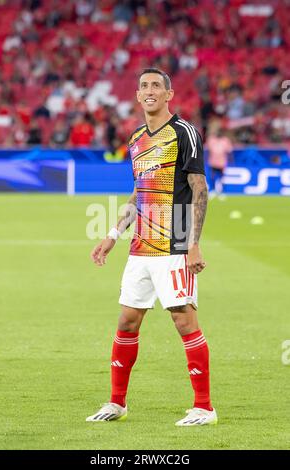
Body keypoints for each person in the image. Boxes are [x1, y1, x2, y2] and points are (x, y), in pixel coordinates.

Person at [86, 68, 217, 426]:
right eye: (144, 86)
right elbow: (138, 194)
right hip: (141, 243)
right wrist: (113, 234)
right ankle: (116, 403)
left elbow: (199, 188)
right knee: (127, 321)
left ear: (169, 94)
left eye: (156, 85)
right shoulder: (136, 139)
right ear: (137, 94)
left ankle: (204, 407)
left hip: (174, 240)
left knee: (183, 319)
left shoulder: (184, 133)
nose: (149, 91)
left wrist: (194, 244)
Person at [206, 128, 233, 197]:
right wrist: (205, 159)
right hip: (212, 162)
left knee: (222, 178)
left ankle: (222, 191)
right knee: (212, 177)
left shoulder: (225, 140)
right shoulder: (211, 139)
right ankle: (212, 190)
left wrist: (231, 160)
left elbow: (229, 151)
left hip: (222, 162)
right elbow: (207, 150)